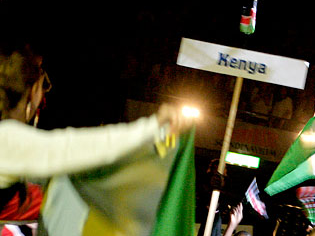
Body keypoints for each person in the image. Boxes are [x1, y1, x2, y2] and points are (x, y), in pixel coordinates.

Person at [1, 39, 192, 188]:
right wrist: (154, 125)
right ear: (32, 90)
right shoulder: (8, 140)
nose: (46, 91)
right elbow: (74, 147)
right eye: (44, 84)